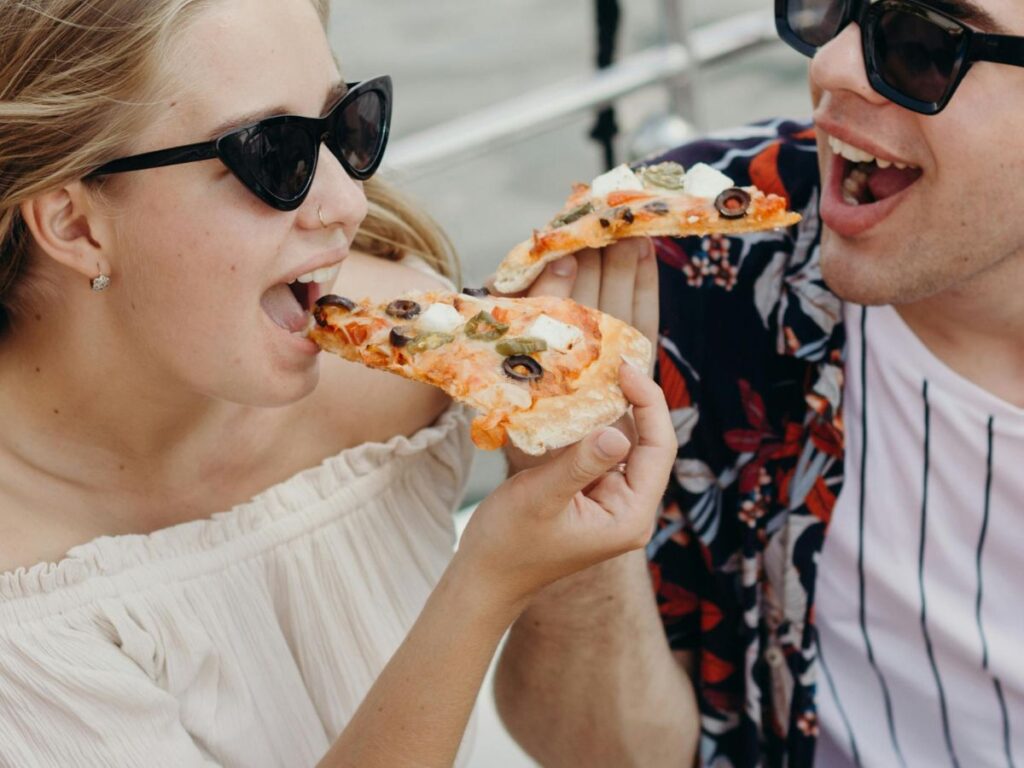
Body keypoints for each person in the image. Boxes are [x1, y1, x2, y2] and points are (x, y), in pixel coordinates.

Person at [0, 1, 678, 766]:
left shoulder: (408, 378)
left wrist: (568, 475)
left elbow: (632, 756)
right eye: (275, 154)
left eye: (345, 124)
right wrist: (485, 581)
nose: (349, 204)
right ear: (75, 225)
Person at [496, 0, 1024, 766]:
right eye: (831, 9)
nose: (831, 66)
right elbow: (597, 751)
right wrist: (570, 506)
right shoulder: (690, 267)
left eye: (921, 43)